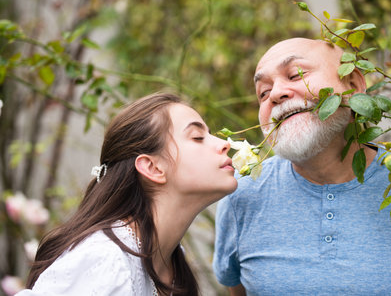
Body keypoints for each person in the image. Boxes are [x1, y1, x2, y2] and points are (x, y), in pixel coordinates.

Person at [213, 38, 391, 295]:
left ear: (353, 85)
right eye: (263, 92)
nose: (276, 94)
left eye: (296, 74)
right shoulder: (241, 196)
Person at [16, 92, 237, 296]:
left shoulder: (170, 262)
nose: (225, 143)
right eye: (198, 137)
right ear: (153, 167)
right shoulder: (103, 262)